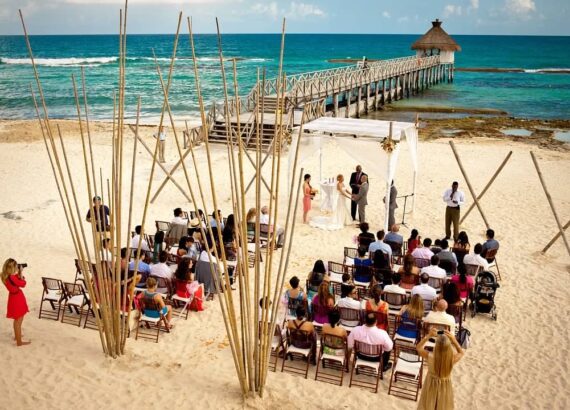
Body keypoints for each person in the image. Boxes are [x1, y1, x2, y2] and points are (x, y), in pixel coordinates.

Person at [416, 328, 464, 410]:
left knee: (428, 405)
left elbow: (418, 348)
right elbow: (461, 352)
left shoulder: (430, 356)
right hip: (445, 386)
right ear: (449, 348)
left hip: (431, 384)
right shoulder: (451, 359)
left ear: (436, 347)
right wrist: (453, 339)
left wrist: (428, 336)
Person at [2, 259, 30, 346]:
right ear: (12, 268)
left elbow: (15, 282)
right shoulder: (12, 277)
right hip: (17, 299)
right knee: (18, 320)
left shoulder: (4, 275)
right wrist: (21, 274)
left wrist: (18, 273)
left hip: (13, 297)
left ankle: (17, 336)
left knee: (17, 319)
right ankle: (19, 342)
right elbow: (23, 284)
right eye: (16, 267)